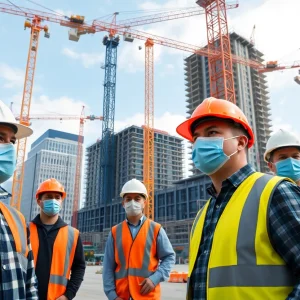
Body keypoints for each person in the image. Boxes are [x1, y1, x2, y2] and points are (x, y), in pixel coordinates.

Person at [176, 97, 300, 300]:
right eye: (196, 137)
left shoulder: (274, 193)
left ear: (241, 142)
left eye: (212, 133)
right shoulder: (202, 215)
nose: (200, 143)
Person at [103, 178, 175, 300]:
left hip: (147, 296)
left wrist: (155, 278)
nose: (132, 202)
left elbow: (169, 257)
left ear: (144, 203)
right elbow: (108, 267)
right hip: (121, 296)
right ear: (123, 203)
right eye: (128, 199)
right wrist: (112, 295)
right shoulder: (115, 232)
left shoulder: (156, 229)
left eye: (137, 199)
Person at [29, 178, 86, 300]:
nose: (53, 200)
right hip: (26, 296)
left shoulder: (73, 234)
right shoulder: (25, 230)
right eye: (49, 196)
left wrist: (68, 295)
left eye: (57, 197)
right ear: (39, 201)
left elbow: (79, 267)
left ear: (61, 202)